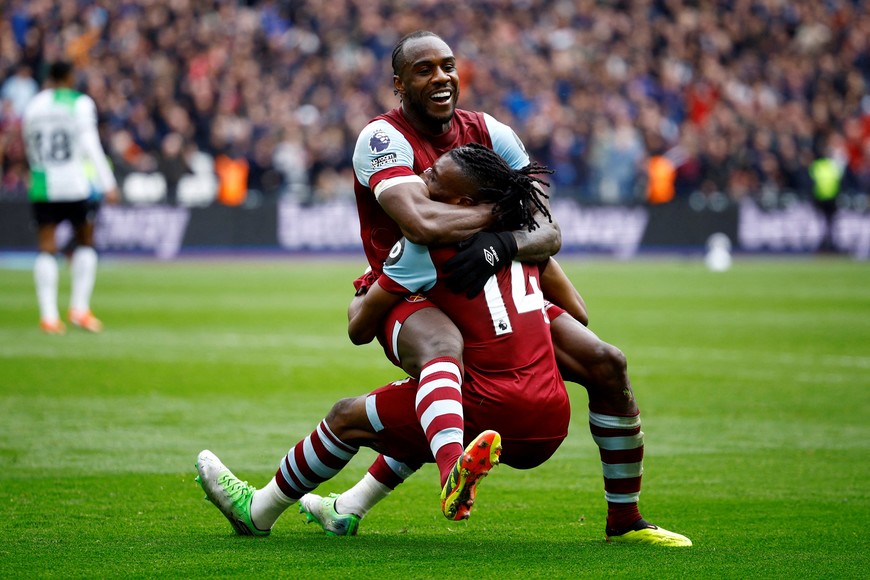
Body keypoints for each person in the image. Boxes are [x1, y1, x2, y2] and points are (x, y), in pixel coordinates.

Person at [340, 30, 689, 545]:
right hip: (410, 289)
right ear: (399, 84)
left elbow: (547, 229)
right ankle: (400, 482)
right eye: (424, 69)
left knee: (605, 361)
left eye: (447, 65)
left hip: (488, 279)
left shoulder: (490, 132)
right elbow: (420, 223)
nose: (441, 77)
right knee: (447, 366)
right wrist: (501, 220)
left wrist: (501, 246)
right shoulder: (382, 139)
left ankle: (625, 520)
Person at [196, 143, 573, 538]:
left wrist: (369, 285)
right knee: (429, 402)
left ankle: (258, 512)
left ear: (461, 201)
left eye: (433, 176)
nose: (421, 177)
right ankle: (347, 508)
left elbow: (359, 328)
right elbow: (577, 311)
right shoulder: (523, 239)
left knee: (348, 416)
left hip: (491, 407)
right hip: (552, 413)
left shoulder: (424, 246)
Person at [22, 60, 118, 334]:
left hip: (42, 183)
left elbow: (28, 142)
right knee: (86, 241)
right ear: (69, 78)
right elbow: (90, 144)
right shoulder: (80, 103)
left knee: (46, 246)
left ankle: (49, 317)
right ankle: (79, 308)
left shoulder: (34, 105)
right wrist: (107, 182)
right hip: (74, 183)